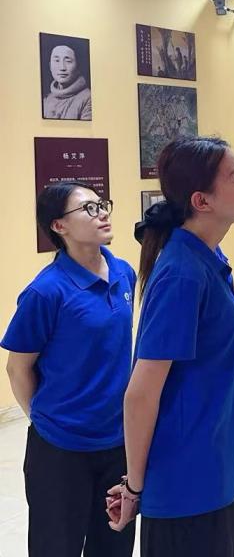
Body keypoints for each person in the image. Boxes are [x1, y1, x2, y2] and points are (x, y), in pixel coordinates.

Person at [106, 137, 234, 556]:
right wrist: (134, 487)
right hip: (187, 491)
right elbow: (140, 394)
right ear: (201, 201)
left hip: (220, 474)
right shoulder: (182, 275)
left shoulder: (208, 257)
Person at [2, 183, 135, 556]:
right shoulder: (46, 292)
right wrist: (47, 421)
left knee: (114, 544)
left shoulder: (123, 273)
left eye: (102, 204)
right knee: (56, 546)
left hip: (117, 441)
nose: (102, 213)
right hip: (60, 450)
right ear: (59, 226)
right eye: (89, 209)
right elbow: (18, 368)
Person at [42, 41, 92, 120]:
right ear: (50, 66)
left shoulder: (88, 98)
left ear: (77, 66)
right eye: (57, 61)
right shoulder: (47, 99)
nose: (62, 67)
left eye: (68, 61)